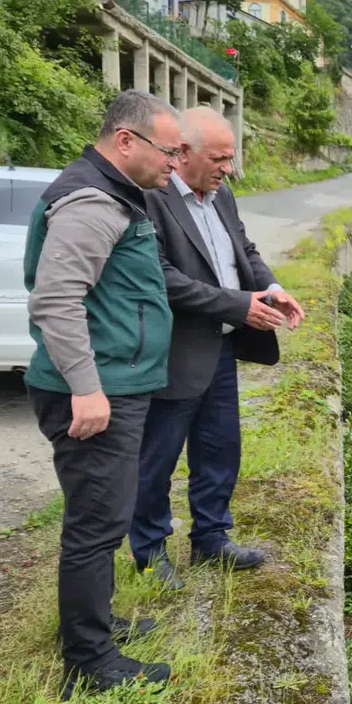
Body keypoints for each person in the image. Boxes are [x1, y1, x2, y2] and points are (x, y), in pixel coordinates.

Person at [23, 89, 182, 700]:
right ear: (126, 141)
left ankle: (96, 623)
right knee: (96, 525)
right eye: (168, 151)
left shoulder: (117, 193)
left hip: (115, 385)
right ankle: (90, 663)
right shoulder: (92, 202)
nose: (174, 161)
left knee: (102, 517)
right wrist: (87, 390)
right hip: (95, 393)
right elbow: (56, 299)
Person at [128, 106, 305, 590]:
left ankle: (211, 538)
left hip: (222, 350)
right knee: (157, 458)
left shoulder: (221, 194)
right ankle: (149, 552)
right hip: (174, 352)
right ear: (182, 153)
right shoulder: (151, 197)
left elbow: (244, 250)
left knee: (220, 449)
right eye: (220, 158)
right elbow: (162, 278)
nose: (228, 168)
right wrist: (236, 305)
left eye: (231, 158)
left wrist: (271, 288)